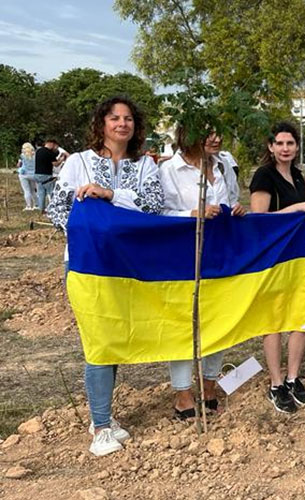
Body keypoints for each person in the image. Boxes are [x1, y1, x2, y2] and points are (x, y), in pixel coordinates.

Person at [46, 96, 164, 456]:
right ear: (102, 123)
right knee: (98, 341)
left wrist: (109, 195)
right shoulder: (79, 163)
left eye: (128, 118)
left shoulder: (146, 165)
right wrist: (95, 220)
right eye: (114, 118)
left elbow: (153, 205)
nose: (122, 124)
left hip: (128, 266)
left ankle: (105, 417)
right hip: (88, 264)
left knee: (112, 340)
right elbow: (57, 210)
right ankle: (99, 426)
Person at [159, 122, 244, 420]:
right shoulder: (170, 170)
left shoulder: (223, 166)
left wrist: (235, 210)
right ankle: (183, 394)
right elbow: (160, 213)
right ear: (189, 135)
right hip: (183, 254)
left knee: (217, 320)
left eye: (218, 131)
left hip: (220, 254)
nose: (217, 137)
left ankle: (209, 386)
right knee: (184, 324)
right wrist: (193, 213)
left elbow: (231, 199)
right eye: (208, 132)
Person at [248, 121, 305, 413]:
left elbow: (304, 207)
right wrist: (300, 208)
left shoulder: (298, 176)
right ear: (271, 147)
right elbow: (259, 217)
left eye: (290, 143)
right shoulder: (264, 176)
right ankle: (275, 383)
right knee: (274, 319)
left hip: (298, 255)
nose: (286, 148)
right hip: (272, 257)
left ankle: (293, 378)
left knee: (299, 316)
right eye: (280, 143)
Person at [206, 134, 242, 210]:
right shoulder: (176, 169)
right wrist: (194, 213)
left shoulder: (224, 164)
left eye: (219, 133)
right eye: (210, 134)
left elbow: (233, 200)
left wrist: (236, 209)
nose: (218, 140)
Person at [34, 138, 67, 211]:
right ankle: (54, 208)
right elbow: (56, 164)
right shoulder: (49, 153)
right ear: (52, 144)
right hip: (46, 175)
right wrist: (62, 159)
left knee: (41, 193)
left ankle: (41, 209)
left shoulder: (38, 151)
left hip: (37, 174)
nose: (56, 148)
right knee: (51, 192)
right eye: (56, 146)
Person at [16, 143, 37, 211]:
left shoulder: (22, 155)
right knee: (33, 190)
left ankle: (28, 206)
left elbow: (19, 165)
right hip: (33, 174)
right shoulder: (35, 155)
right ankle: (36, 205)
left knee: (26, 190)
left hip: (24, 174)